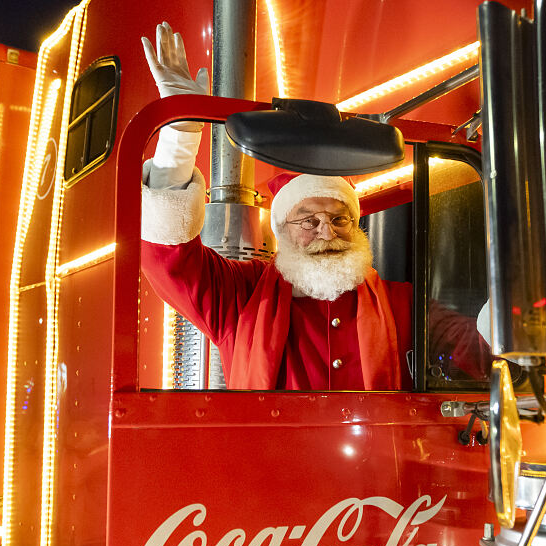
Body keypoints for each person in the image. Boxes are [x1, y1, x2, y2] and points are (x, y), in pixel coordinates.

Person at [139, 22, 484, 389]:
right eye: (309, 221)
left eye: (339, 219)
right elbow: (169, 260)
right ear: (282, 231)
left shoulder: (403, 304)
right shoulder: (242, 295)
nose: (327, 232)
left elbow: (473, 350)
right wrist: (179, 138)